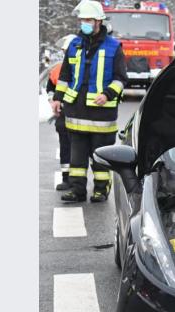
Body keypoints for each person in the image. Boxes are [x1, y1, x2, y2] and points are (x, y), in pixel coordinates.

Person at [50, 0, 127, 203]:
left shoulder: (114, 47)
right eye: (82, 19)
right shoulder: (74, 45)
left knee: (100, 157)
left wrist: (108, 94)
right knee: (77, 158)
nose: (84, 22)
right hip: (76, 111)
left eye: (88, 19)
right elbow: (65, 76)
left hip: (102, 114)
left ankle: (101, 189)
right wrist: (58, 98)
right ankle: (77, 191)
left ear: (99, 21)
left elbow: (121, 78)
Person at [46, 35, 77, 191]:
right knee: (65, 146)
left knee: (80, 148)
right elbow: (50, 88)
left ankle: (79, 181)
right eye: (66, 51)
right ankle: (67, 178)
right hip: (63, 115)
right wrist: (54, 102)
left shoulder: (84, 67)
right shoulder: (57, 69)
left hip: (80, 115)